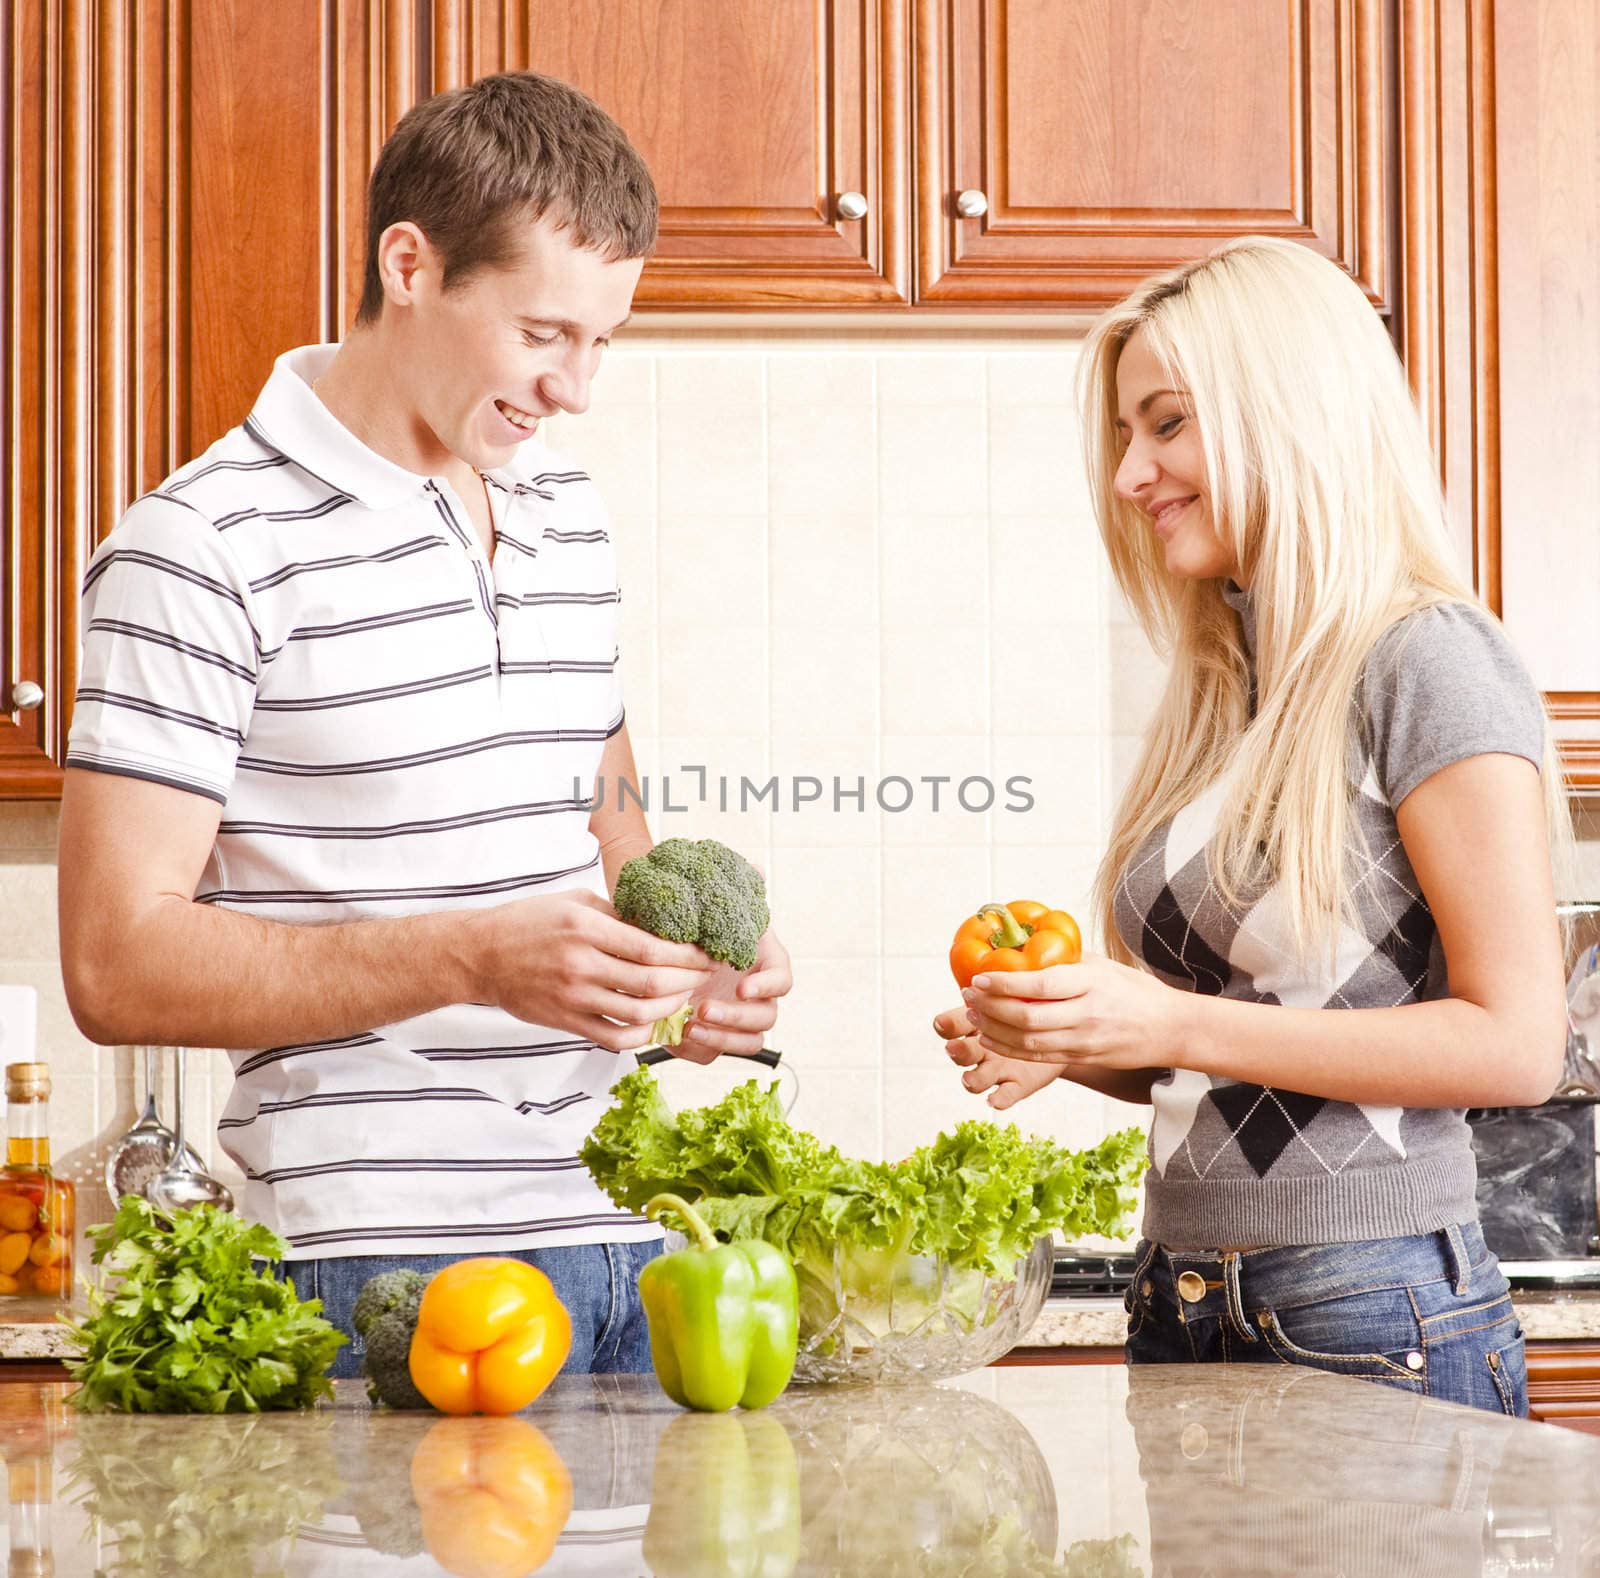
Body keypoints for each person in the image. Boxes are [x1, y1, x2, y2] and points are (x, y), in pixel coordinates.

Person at [57, 71, 791, 1375]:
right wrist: (469, 957)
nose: (577, 388)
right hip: (380, 1272)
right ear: (412, 264)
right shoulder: (201, 545)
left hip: (638, 1244)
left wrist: (687, 971)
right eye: (544, 335)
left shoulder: (566, 511)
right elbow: (116, 965)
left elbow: (601, 806)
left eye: (604, 342)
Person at [934, 235, 1570, 1415]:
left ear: (1291, 417)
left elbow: (1515, 1041)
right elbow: (1229, 1045)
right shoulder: (1231, 687)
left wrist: (1163, 1016)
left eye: (1166, 424)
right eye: (1129, 434)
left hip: (1368, 1305)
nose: (1131, 474)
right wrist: (1089, 1041)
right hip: (1181, 1291)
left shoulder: (1427, 659)